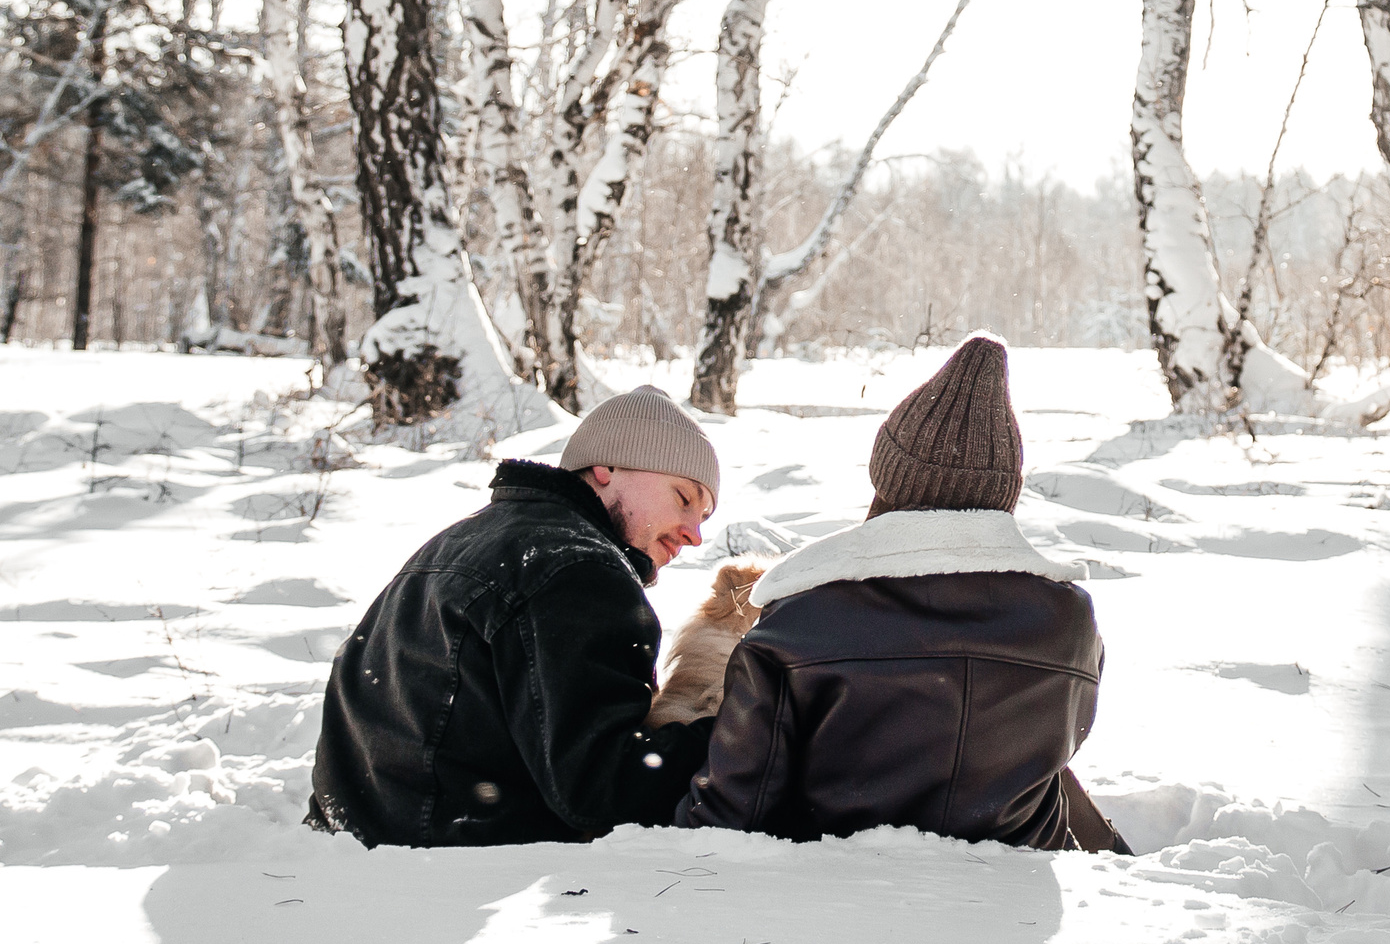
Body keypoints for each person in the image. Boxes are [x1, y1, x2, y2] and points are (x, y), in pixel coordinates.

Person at [676, 334, 1126, 852]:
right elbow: (1054, 756)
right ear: (1003, 496)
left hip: (842, 893)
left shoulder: (800, 620)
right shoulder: (1070, 620)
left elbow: (735, 810)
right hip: (1021, 891)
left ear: (887, 477)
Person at [306, 386, 722, 847]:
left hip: (356, 853)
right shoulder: (577, 567)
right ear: (606, 467)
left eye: (704, 516)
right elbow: (605, 789)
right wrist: (738, 733)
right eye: (684, 497)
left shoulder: (462, 540)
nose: (694, 534)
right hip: (452, 871)